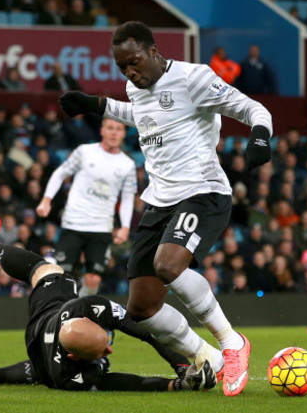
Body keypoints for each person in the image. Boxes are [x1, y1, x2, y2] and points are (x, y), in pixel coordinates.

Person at [58, 21, 273, 396]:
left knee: (168, 266)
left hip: (202, 193)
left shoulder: (195, 79)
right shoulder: (134, 87)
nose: (130, 72)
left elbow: (251, 107)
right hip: (159, 201)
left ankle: (231, 342)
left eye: (135, 62)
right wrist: (96, 105)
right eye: (122, 67)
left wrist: (260, 134)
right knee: (142, 308)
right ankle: (209, 357)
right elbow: (141, 115)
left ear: (153, 52)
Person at [0, 215, 216, 392]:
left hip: (49, 313)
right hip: (42, 352)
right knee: (40, 373)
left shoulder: (86, 307)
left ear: (90, 320)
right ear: (73, 357)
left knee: (46, 271)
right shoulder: (72, 378)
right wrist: (174, 385)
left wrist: (180, 365)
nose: (109, 351)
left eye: (105, 343)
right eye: (103, 351)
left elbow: (143, 327)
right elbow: (128, 382)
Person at [35, 118, 137, 296]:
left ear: (123, 133)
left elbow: (128, 198)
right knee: (61, 275)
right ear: (102, 131)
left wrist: (126, 226)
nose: (114, 133)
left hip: (101, 227)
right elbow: (60, 173)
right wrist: (46, 199)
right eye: (110, 128)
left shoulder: (127, 165)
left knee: (94, 279)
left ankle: (78, 313)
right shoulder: (85, 152)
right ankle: (54, 315)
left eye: (119, 129)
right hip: (74, 223)